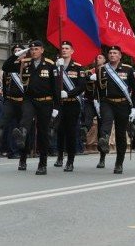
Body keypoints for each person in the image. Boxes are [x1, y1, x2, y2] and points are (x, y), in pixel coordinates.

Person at [12, 40, 60, 175]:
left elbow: (56, 87)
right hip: (29, 100)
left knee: (43, 133)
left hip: (45, 101)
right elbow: (7, 66)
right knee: (25, 125)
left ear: (42, 50)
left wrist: (57, 106)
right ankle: (22, 157)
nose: (34, 52)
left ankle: (42, 163)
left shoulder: (50, 65)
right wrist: (18, 54)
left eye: (36, 49)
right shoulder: (25, 63)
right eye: (32, 50)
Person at [91, 45, 135, 174]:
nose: (112, 55)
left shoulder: (129, 70)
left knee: (120, 134)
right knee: (106, 121)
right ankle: (104, 139)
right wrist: (97, 101)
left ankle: (119, 163)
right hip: (107, 102)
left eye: (115, 53)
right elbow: (98, 89)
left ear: (120, 56)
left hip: (123, 104)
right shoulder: (102, 70)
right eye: (110, 53)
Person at [54, 41, 87, 172]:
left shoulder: (78, 67)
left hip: (72, 102)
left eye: (67, 48)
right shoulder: (56, 66)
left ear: (72, 51)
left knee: (71, 132)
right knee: (59, 130)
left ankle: (70, 160)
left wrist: (68, 93)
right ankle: (60, 156)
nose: (64, 50)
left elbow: (81, 86)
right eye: (62, 48)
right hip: (59, 104)